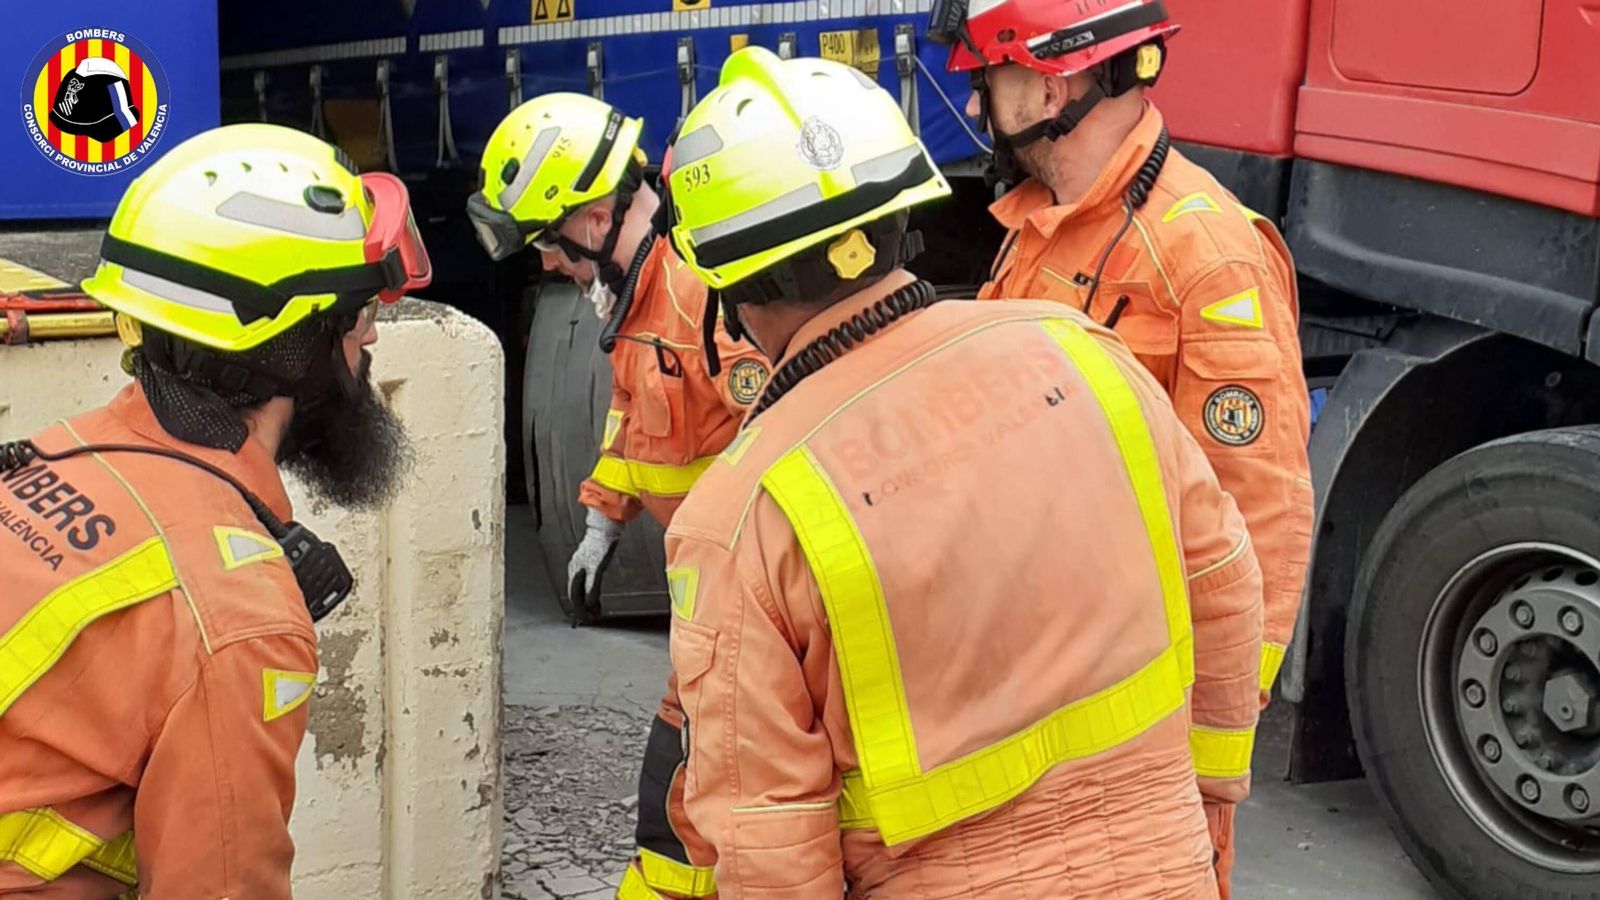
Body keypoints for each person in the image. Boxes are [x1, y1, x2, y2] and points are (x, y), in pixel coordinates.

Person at [627, 45, 1263, 899]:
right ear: (903, 217)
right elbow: (1224, 582)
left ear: (730, 289)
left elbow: (767, 835)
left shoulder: (745, 513)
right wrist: (1207, 803)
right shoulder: (1085, 357)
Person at [938, 0, 1314, 889]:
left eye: (989, 80)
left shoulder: (1204, 254)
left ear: (1047, 83)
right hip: (1034, 690)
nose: (982, 103)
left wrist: (1209, 755)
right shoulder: (1037, 227)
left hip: (1144, 732)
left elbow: (1262, 512)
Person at [0, 123, 429, 897]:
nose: (371, 338)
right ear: (293, 339)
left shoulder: (51, 454)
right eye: (361, 312)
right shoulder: (235, 618)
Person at [468, 93, 768, 897]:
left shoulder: (705, 303)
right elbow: (630, 419)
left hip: (757, 614)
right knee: (676, 808)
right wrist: (601, 519)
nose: (546, 263)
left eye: (547, 242)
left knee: (716, 811)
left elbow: (787, 457)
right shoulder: (637, 304)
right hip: (711, 611)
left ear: (595, 216)